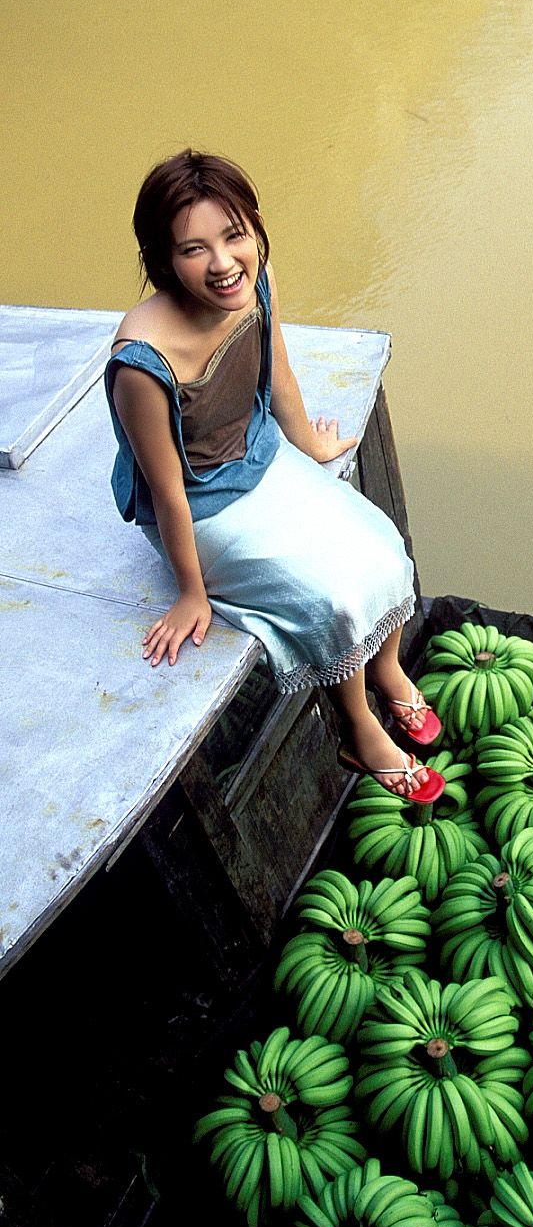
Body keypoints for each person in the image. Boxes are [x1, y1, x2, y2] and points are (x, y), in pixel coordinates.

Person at [105, 149, 444, 802]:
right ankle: (359, 728)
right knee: (331, 599)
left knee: (382, 548)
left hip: (261, 456)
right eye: (194, 249)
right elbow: (167, 490)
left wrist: (306, 445)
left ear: (255, 230)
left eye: (235, 236)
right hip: (204, 506)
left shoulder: (255, 282)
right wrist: (190, 591)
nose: (223, 263)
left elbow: (277, 371)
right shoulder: (141, 362)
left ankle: (389, 671)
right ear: (162, 260)